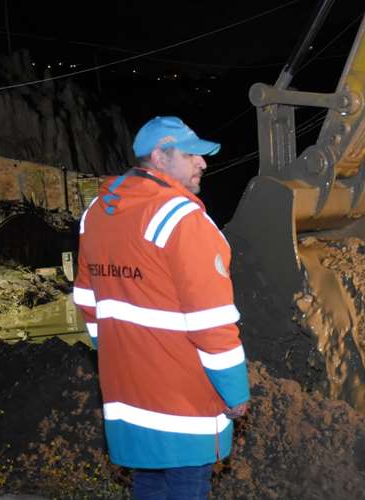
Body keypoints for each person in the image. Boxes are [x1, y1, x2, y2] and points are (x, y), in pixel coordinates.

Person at [73, 116, 250, 499]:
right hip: (181, 399)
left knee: (148, 483)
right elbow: (212, 323)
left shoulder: (97, 214)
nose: (202, 163)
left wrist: (118, 352)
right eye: (191, 155)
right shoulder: (183, 220)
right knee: (186, 485)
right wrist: (236, 392)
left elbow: (88, 301)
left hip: (129, 396)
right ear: (159, 156)